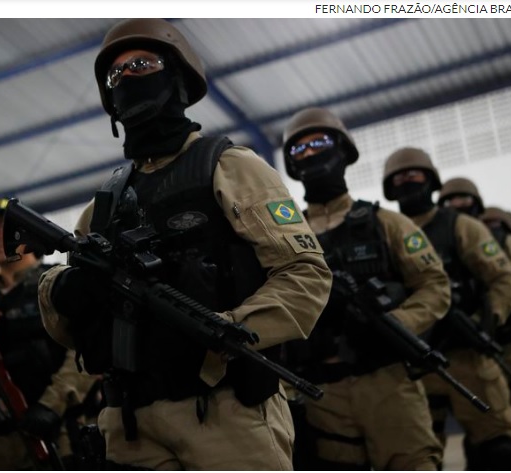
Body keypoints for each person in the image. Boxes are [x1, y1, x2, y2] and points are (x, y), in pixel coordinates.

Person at [35, 18, 331, 471]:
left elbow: (306, 276)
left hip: (226, 412)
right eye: (116, 74)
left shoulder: (229, 166)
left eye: (142, 64)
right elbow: (66, 323)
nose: (128, 77)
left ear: (177, 75)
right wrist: (61, 289)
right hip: (129, 427)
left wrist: (229, 330)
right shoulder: (104, 204)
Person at [281, 107, 449, 470]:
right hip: (320, 392)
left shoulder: (386, 223)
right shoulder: (286, 237)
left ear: (342, 150)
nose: (309, 153)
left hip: (386, 382)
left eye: (319, 143)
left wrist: (396, 324)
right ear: (291, 164)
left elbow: (434, 285)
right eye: (299, 149)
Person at [382, 149, 511, 470]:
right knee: (418, 457)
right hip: (416, 363)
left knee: (498, 450)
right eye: (399, 178)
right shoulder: (387, 229)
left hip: (468, 357)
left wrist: (486, 321)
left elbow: (502, 280)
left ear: (430, 180)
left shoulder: (460, 226)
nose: (407, 182)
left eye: (414, 175)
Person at [0, 197, 97, 470]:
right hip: (1, 446)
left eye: (1, 226)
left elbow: (89, 353)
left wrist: (51, 405)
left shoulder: (56, 284)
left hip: (59, 433)